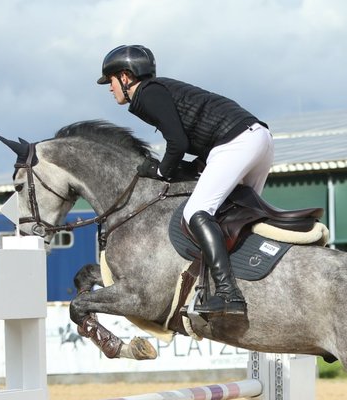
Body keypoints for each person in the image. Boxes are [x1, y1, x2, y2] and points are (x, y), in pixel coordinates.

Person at [98, 44, 273, 318]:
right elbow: (196, 137)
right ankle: (255, 284)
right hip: (257, 139)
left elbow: (177, 142)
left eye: (110, 80)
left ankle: (228, 294)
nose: (109, 88)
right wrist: (190, 167)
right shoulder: (160, 90)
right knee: (238, 217)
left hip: (236, 142)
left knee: (196, 212)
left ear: (126, 76)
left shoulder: (147, 93)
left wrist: (161, 172)